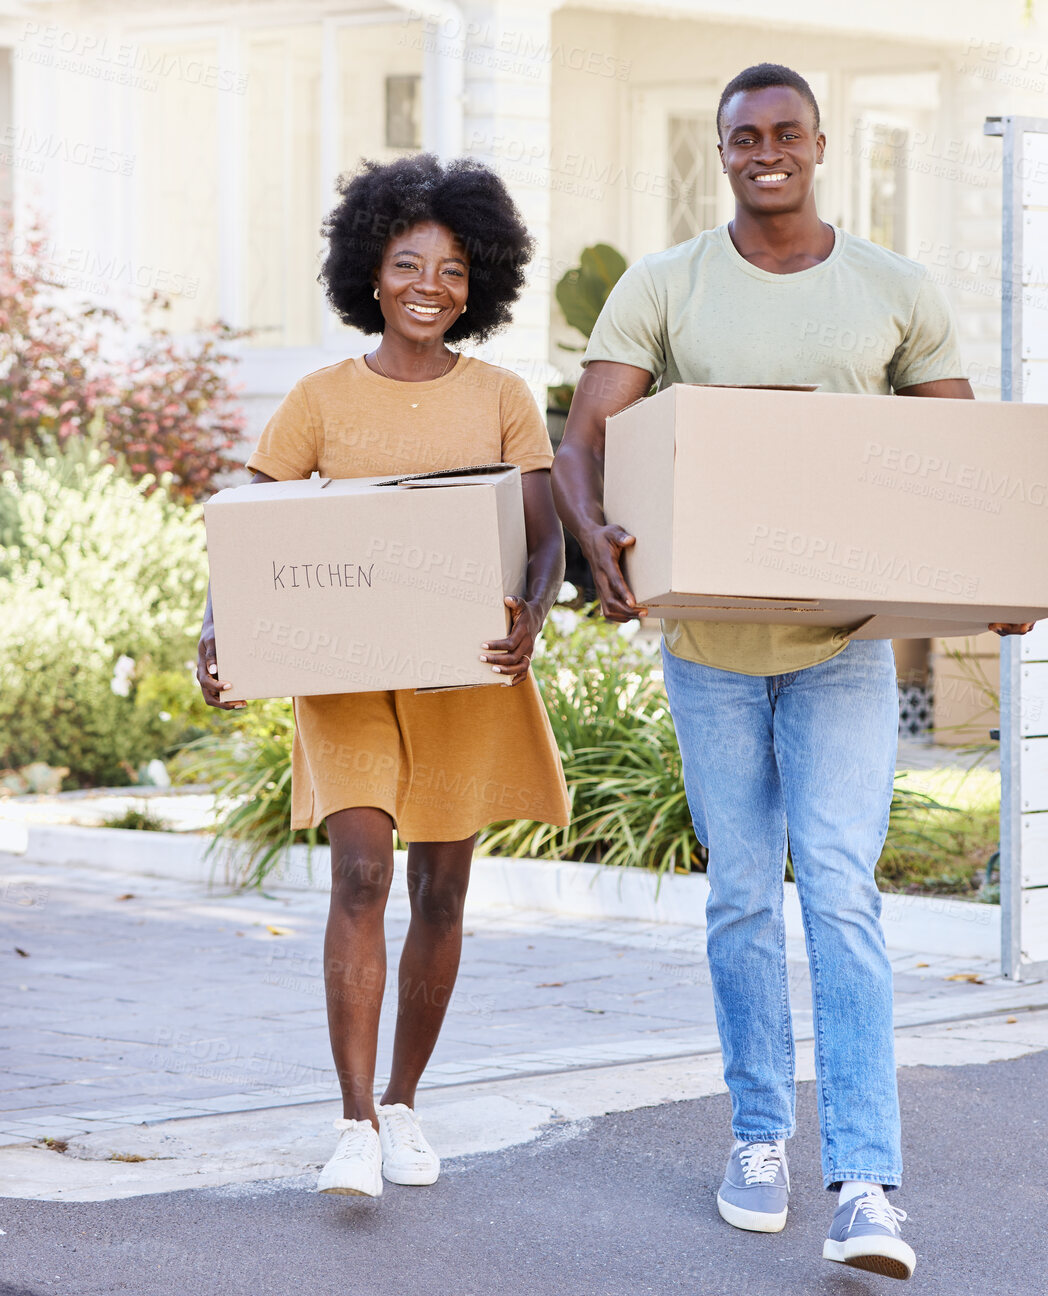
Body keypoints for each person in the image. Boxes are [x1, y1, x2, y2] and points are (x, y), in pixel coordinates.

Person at [553, 63, 1032, 1280]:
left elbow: (961, 465)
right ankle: (759, 1137)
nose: (765, 151)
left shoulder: (894, 290)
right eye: (741, 137)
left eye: (784, 133)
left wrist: (997, 578)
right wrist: (597, 531)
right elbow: (584, 438)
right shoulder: (667, 286)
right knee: (741, 901)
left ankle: (866, 1183)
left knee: (840, 892)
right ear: (722, 152)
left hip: (841, 653)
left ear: (820, 145)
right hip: (709, 652)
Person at [196, 154, 569, 1198]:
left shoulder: (501, 397)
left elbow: (544, 547)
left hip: (465, 676)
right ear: (371, 271)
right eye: (410, 264)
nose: (430, 287)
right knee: (361, 872)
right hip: (348, 677)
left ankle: (404, 1102)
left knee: (440, 892)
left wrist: (532, 621)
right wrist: (217, 632)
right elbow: (250, 540)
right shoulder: (318, 400)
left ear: (477, 284)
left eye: (454, 271)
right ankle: (353, 1120)